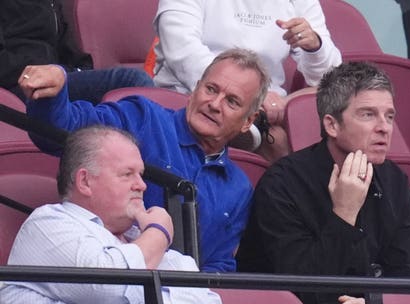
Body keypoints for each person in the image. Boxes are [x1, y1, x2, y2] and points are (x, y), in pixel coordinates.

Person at [19, 48, 270, 273]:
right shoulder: (142, 118)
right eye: (211, 89)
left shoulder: (239, 187)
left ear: (248, 120)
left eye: (232, 101)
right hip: (106, 282)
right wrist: (55, 85)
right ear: (195, 88)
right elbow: (61, 133)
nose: (214, 104)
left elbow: (219, 267)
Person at [236, 62, 410, 304]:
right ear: (332, 124)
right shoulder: (283, 183)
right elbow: (302, 287)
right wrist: (344, 214)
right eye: (368, 115)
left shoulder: (394, 180)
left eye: (389, 116)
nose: (384, 128)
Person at [0, 126, 242, 304]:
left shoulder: (175, 261)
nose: (142, 185)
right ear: (85, 181)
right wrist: (159, 232)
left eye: (141, 175)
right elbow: (107, 286)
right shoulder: (49, 224)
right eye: (127, 175)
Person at [152, 0, 342, 161]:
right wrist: (252, 97)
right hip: (196, 94)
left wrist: (314, 46)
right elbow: (183, 50)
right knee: (279, 141)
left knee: (339, 106)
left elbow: (329, 74)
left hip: (269, 106)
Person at [0, 0, 153, 104]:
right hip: (23, 86)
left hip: (56, 76)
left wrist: (80, 69)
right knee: (131, 80)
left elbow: (68, 48)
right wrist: (33, 74)